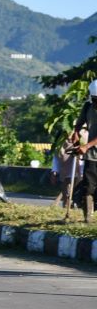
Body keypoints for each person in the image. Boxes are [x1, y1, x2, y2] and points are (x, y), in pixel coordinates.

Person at [72, 79, 97, 223]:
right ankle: (88, 217)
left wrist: (86, 146)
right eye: (93, 99)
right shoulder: (88, 106)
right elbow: (80, 122)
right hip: (92, 156)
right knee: (88, 186)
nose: (94, 103)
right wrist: (76, 132)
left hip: (89, 149)